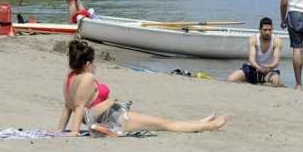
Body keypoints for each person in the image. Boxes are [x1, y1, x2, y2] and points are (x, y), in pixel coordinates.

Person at [59, 39, 228, 136]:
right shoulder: (87, 77)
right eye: (93, 63)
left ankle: (199, 122)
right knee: (166, 124)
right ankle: (210, 126)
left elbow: (68, 107)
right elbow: (81, 107)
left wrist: (59, 130)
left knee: (164, 122)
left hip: (112, 116)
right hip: (114, 120)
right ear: (88, 63)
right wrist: (74, 132)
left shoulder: (70, 77)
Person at [227, 17, 284, 87]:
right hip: (253, 68)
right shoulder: (253, 39)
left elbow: (276, 62)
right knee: (231, 79)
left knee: (276, 82)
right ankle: (250, 82)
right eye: (265, 30)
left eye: (270, 30)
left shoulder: (277, 41)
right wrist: (259, 67)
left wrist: (267, 67)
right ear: (260, 30)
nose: (267, 32)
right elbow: (251, 59)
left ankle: (263, 82)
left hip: (269, 69)